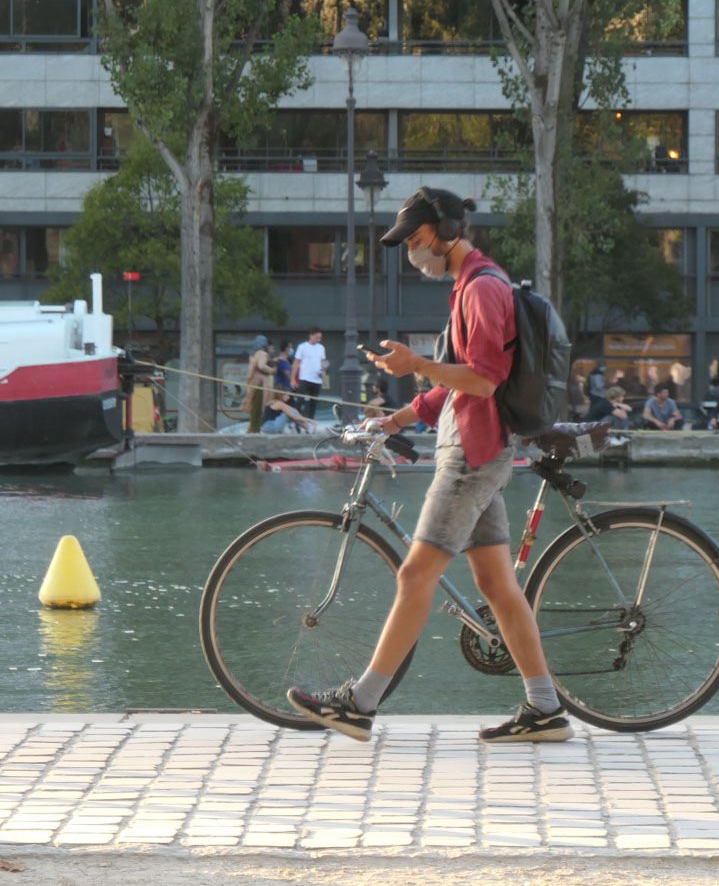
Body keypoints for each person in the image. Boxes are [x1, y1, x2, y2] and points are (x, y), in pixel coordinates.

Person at [287, 185, 572, 744]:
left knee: (415, 575)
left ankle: (359, 704)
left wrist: (417, 363)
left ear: (445, 231)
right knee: (496, 584)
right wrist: (392, 421)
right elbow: (454, 384)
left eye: (416, 239)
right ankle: (545, 709)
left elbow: (483, 381)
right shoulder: (470, 286)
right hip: (479, 449)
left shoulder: (482, 289)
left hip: (471, 456)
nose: (413, 252)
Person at [242, 336, 276, 434]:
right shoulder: (262, 353)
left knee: (254, 407)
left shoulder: (253, 355)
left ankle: (252, 427)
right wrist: (272, 370)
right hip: (261, 383)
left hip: (253, 382)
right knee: (259, 407)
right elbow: (261, 365)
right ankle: (254, 429)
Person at [291, 327, 327, 420]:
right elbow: (296, 363)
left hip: (317, 379)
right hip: (305, 377)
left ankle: (310, 420)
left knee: (313, 402)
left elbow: (322, 361)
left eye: (319, 338)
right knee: (300, 400)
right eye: (316, 337)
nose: (318, 340)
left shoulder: (321, 348)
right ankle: (297, 420)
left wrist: (324, 371)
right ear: (311, 336)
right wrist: (292, 379)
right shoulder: (302, 347)